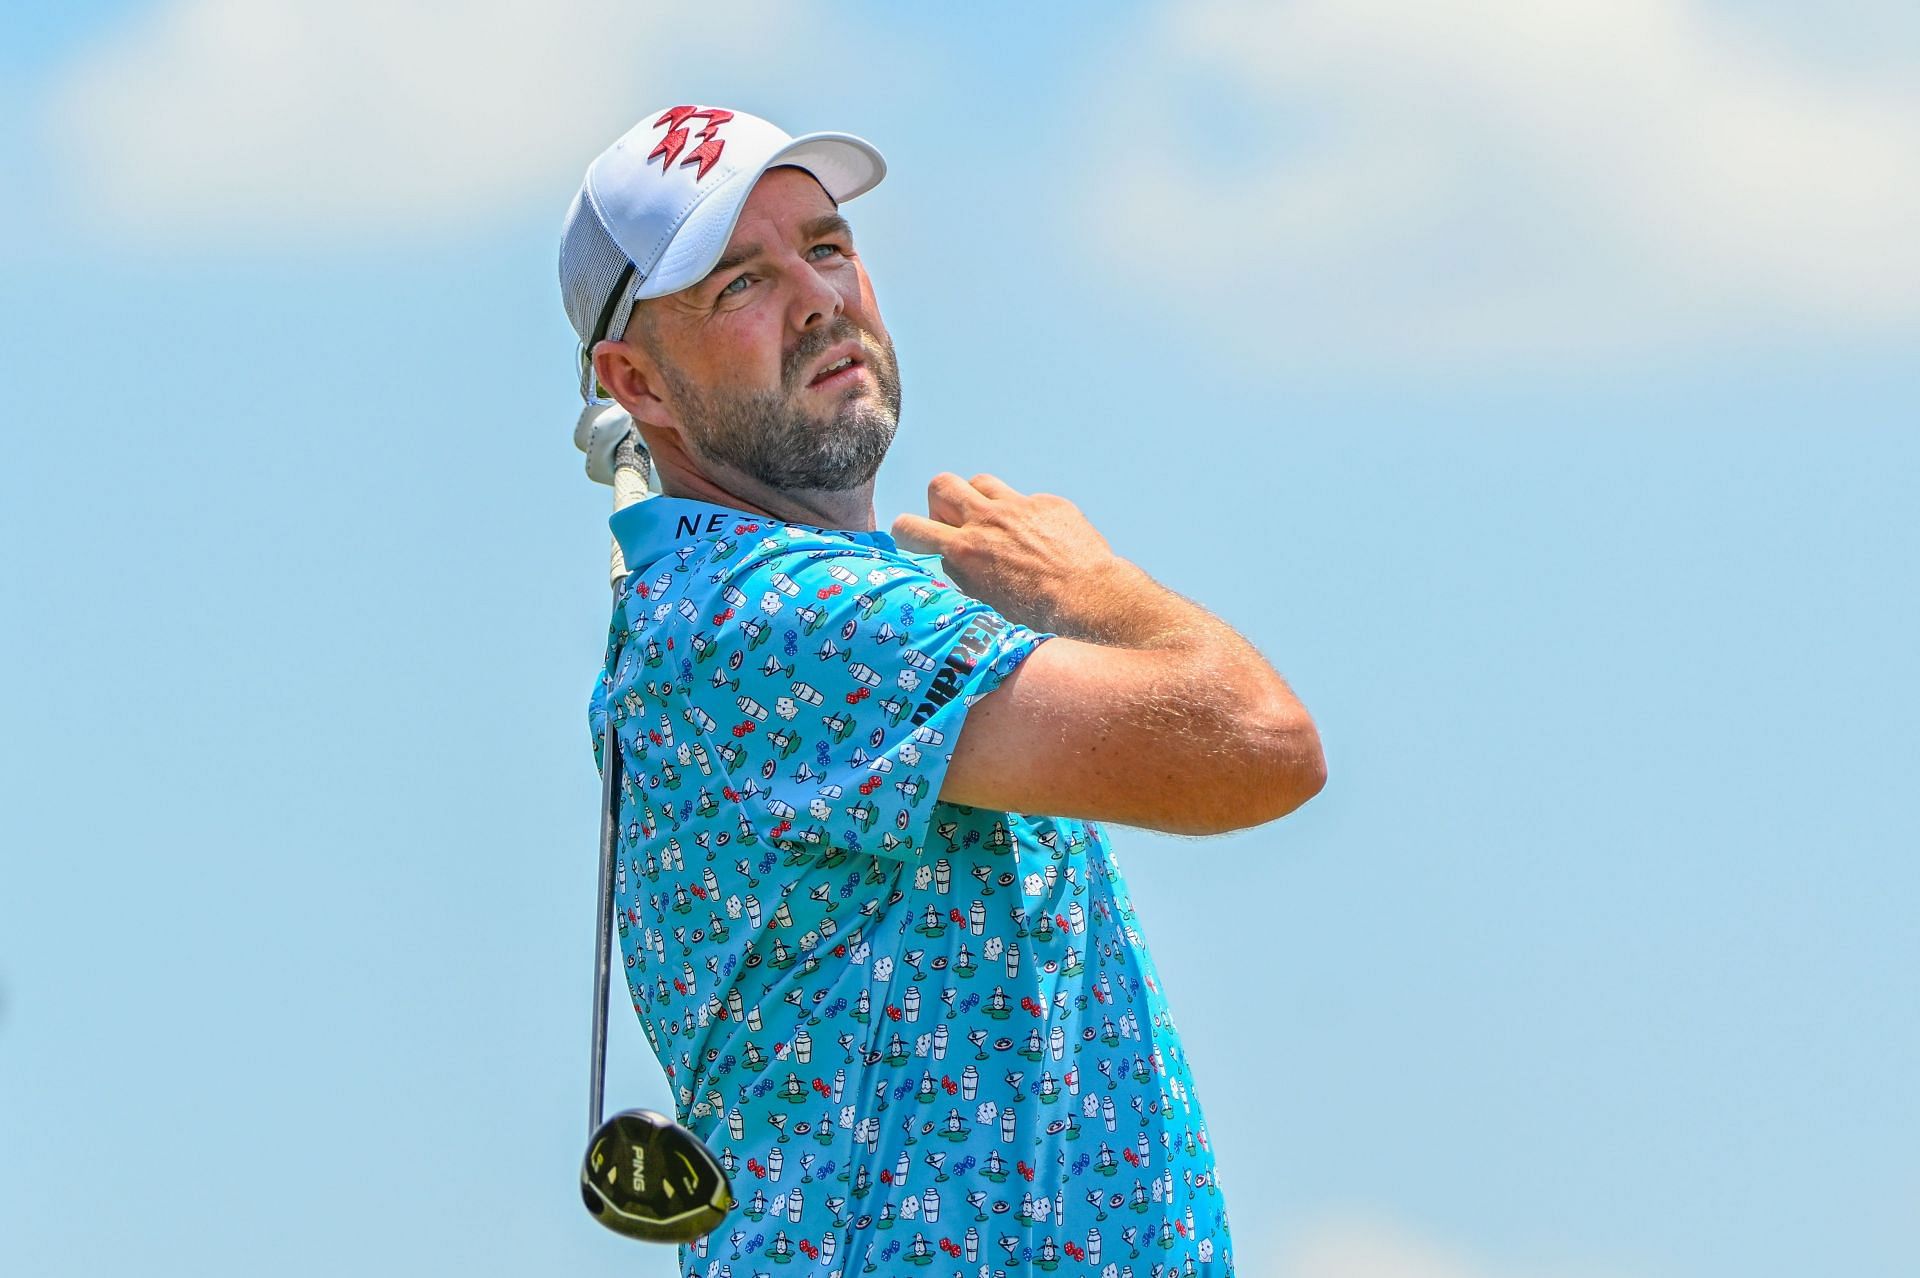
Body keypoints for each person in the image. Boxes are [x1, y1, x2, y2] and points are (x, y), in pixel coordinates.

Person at [561, 104, 1325, 1278]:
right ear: (636, 384)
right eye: (738, 285)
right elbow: (1260, 747)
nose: (821, 297)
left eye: (825, 245)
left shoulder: (776, 609)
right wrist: (1092, 586)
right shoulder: (775, 616)